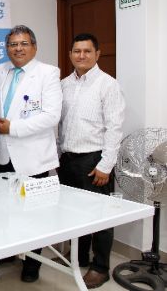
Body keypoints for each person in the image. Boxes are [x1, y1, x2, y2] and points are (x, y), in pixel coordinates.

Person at [0, 25, 62, 282]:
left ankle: (32, 264)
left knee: (36, 213)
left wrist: (15, 128)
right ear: (6, 48)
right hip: (2, 155)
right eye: (12, 44)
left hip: (33, 158)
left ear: (34, 46)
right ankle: (8, 252)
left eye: (23, 44)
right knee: (3, 208)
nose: (18, 48)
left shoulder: (48, 73)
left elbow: (52, 116)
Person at [58, 33, 125, 289]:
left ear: (97, 54)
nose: (81, 56)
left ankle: (100, 267)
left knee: (100, 217)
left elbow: (115, 128)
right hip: (68, 159)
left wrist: (106, 165)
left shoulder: (108, 85)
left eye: (87, 51)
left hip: (94, 161)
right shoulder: (64, 84)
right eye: (77, 51)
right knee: (73, 214)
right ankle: (79, 257)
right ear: (71, 55)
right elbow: (60, 124)